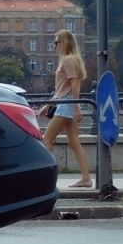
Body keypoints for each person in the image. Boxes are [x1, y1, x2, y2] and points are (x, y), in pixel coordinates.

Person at [40, 28, 92, 188]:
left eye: (57, 42)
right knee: (74, 142)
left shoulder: (68, 60)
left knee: (47, 140)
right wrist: (48, 105)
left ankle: (45, 180)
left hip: (66, 102)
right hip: (64, 101)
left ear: (65, 43)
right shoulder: (72, 59)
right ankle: (86, 178)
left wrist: (75, 107)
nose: (55, 45)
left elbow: (73, 84)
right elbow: (61, 88)